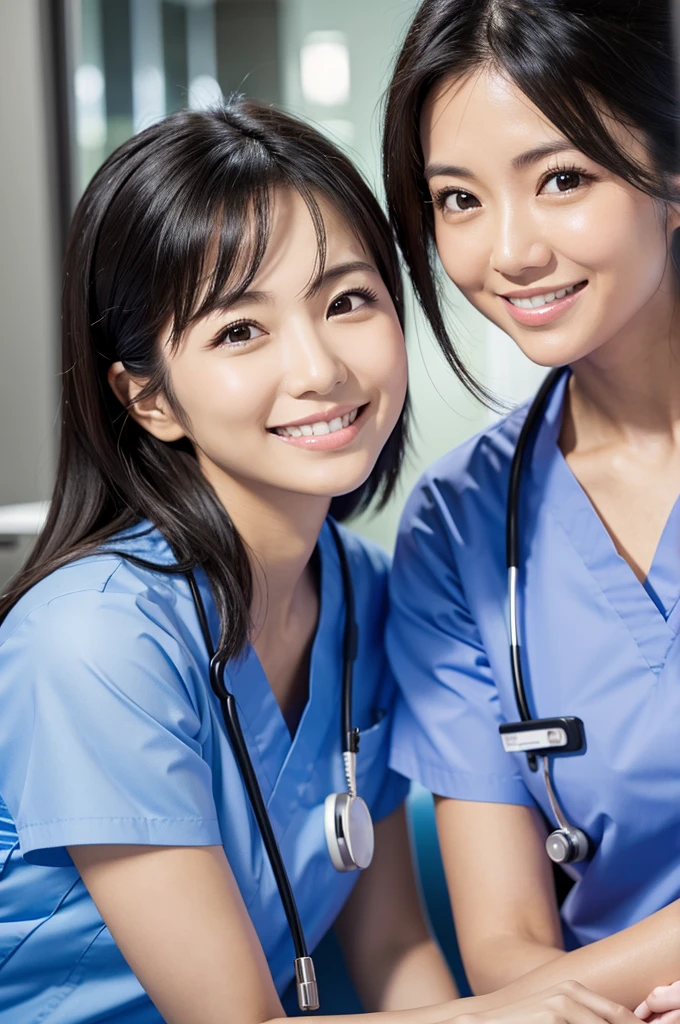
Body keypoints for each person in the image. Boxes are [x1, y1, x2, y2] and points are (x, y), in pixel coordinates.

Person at [0, 99, 639, 1024]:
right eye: (239, 331)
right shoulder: (90, 642)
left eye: (347, 301)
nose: (318, 369)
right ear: (149, 400)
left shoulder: (365, 594)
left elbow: (392, 951)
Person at [382, 0, 680, 1017]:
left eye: (561, 179)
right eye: (457, 200)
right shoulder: (456, 527)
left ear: (670, 179)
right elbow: (503, 950)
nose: (506, 251)